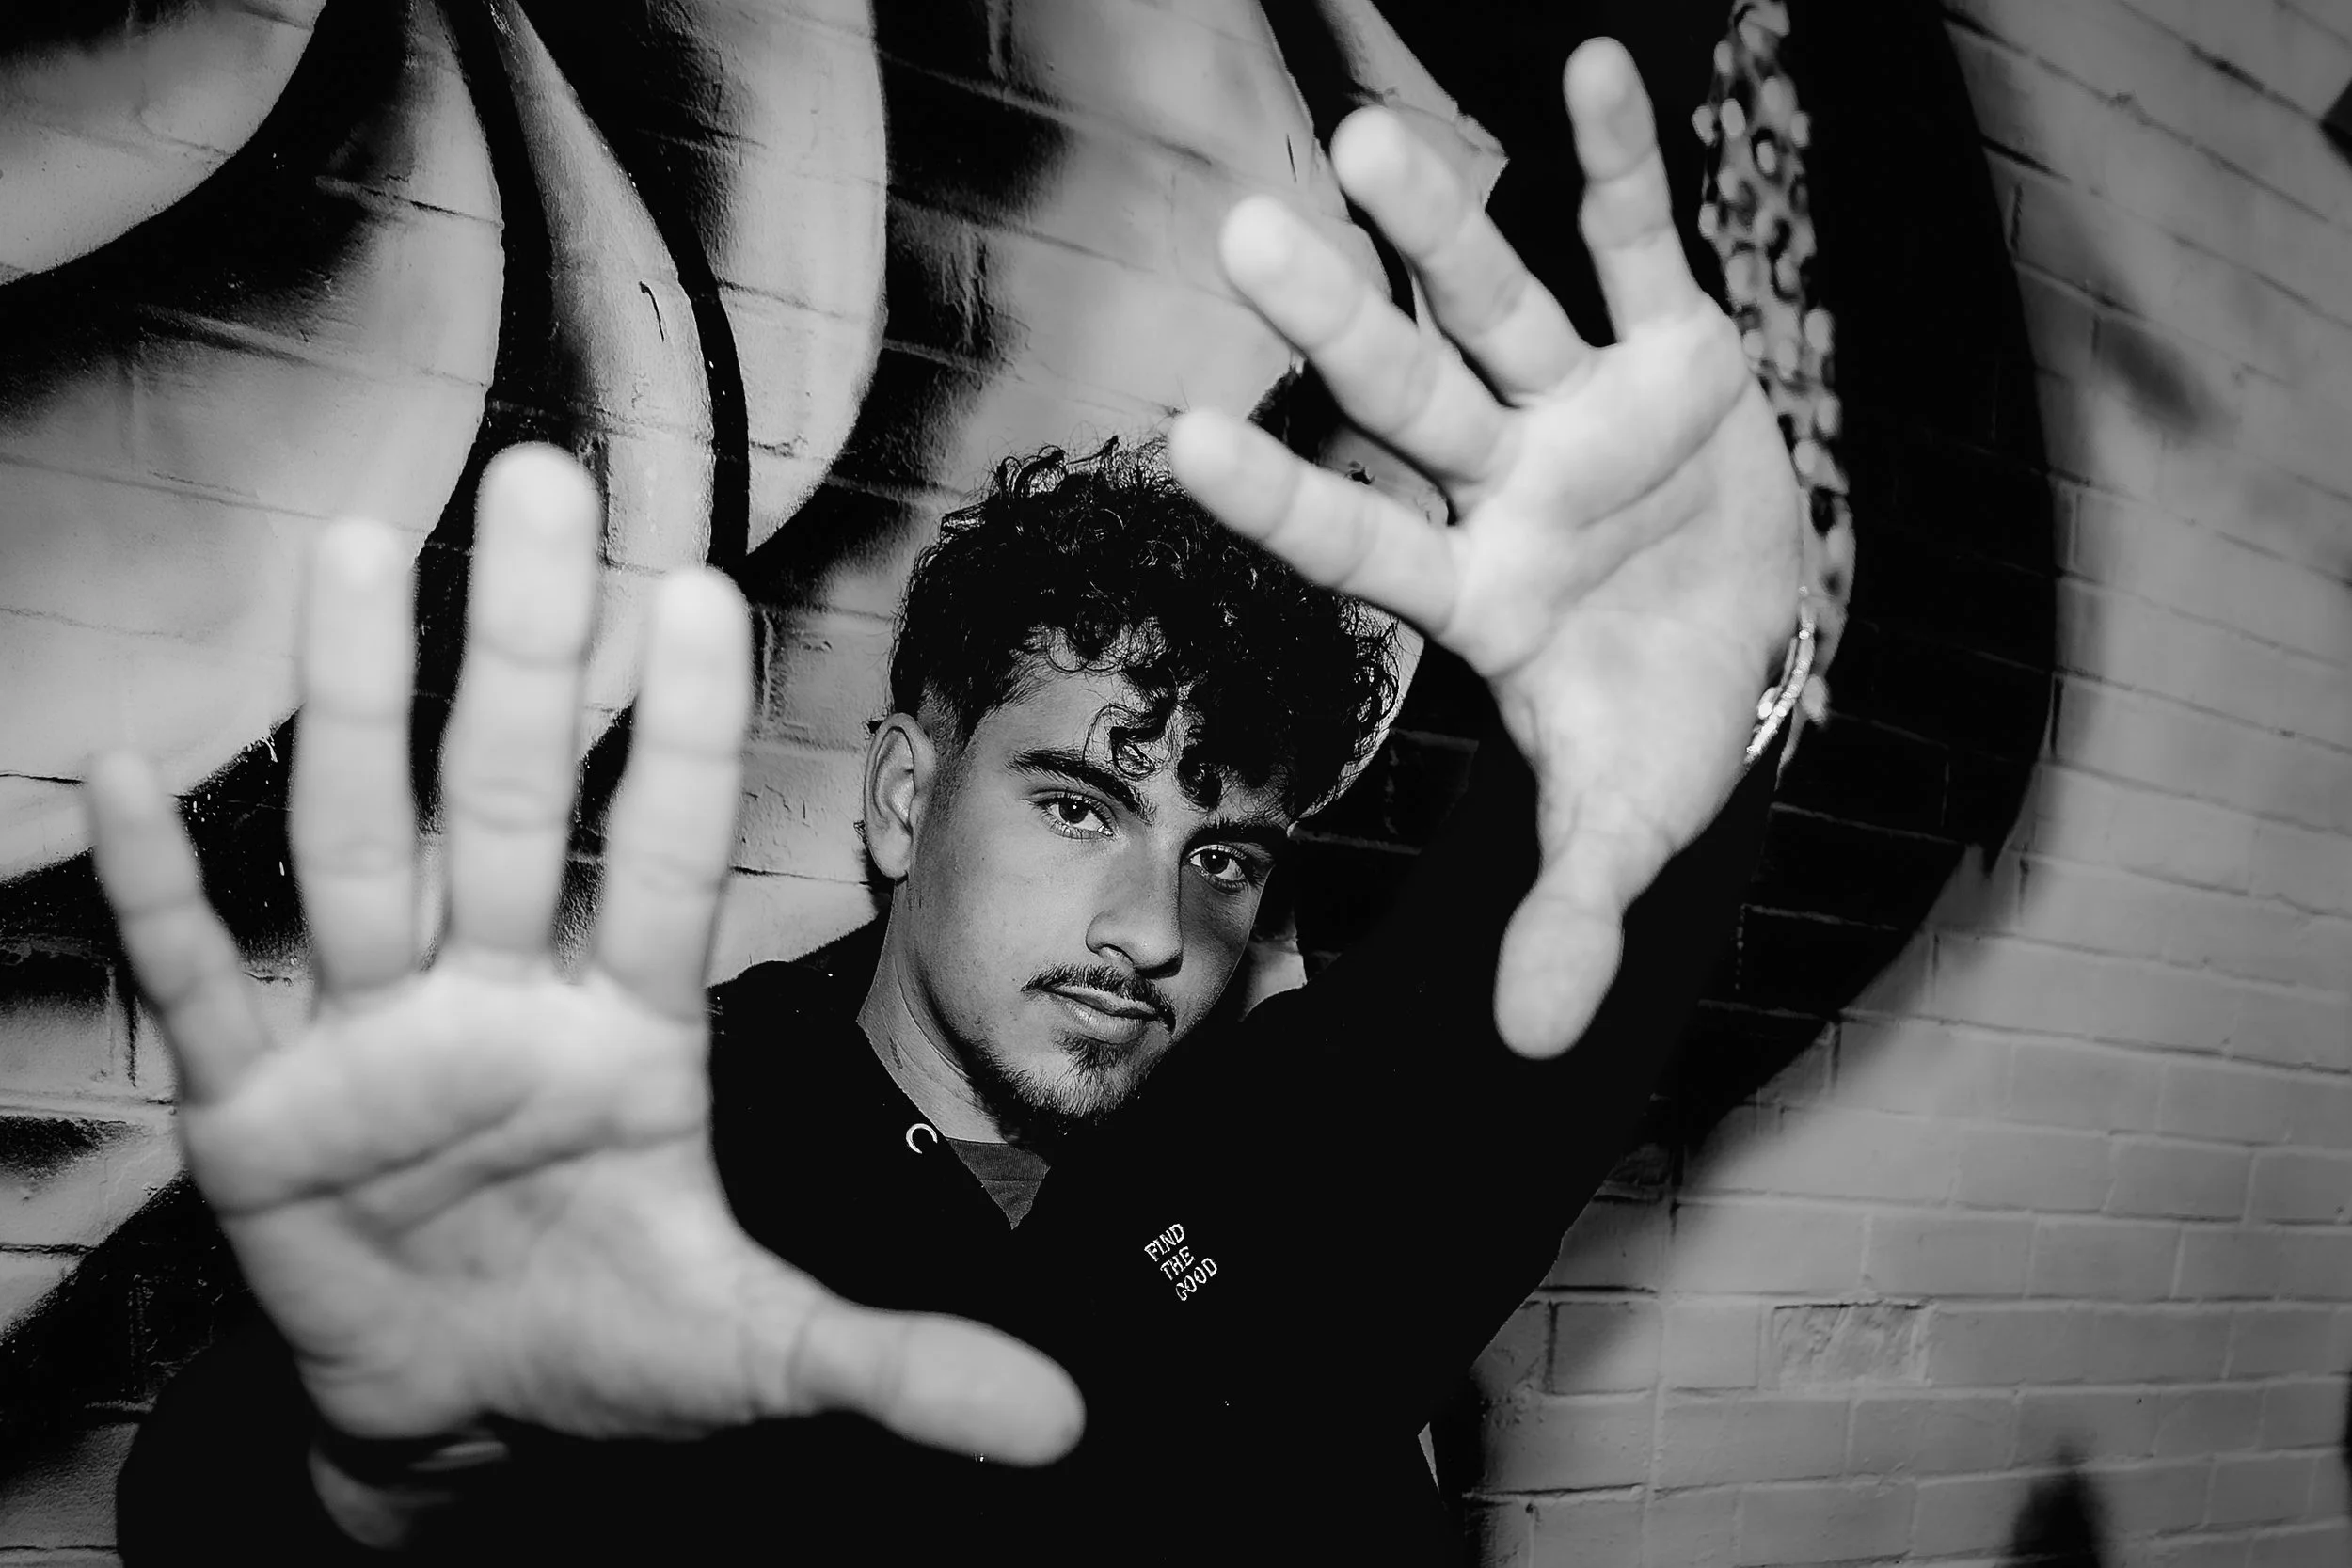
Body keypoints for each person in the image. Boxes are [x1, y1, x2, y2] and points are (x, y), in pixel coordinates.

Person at [91, 40, 1804, 1563]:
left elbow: (1565, 961)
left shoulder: (1300, 1164)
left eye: (1221, 853)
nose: (1155, 930)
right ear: (908, 794)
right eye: (1081, 803)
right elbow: (219, 1500)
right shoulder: (658, 1154)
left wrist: (1699, 690)